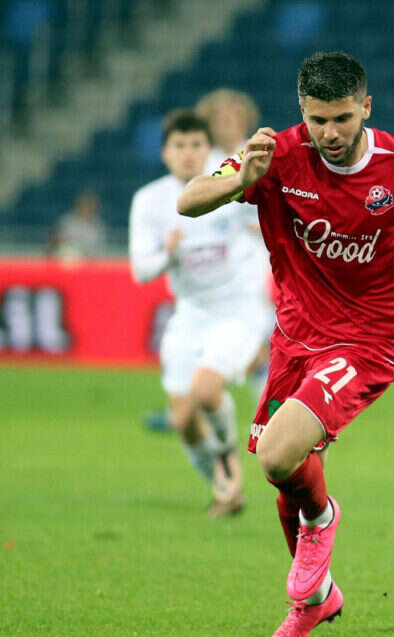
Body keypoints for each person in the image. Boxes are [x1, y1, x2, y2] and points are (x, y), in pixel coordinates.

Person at [177, 51, 394, 637]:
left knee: (277, 455)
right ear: (302, 111)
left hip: (366, 344)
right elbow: (188, 199)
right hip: (294, 341)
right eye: (317, 120)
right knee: (286, 476)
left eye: (342, 118)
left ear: (366, 107)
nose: (330, 133)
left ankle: (322, 519)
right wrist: (240, 179)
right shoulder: (275, 155)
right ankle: (314, 603)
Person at [130, 109, 270, 518]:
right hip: (190, 314)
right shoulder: (150, 201)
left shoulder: (229, 184)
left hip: (239, 310)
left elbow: (267, 217)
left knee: (207, 390)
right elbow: (141, 270)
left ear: (209, 149)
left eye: (196, 145)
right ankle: (226, 490)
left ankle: (226, 456)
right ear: (165, 152)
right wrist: (167, 253)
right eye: (179, 146)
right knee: (184, 420)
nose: (188, 153)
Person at [144, 89, 275, 433]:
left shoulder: (258, 153)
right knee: (222, 344)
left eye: (233, 116)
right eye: (220, 118)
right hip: (215, 266)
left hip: (257, 264)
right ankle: (191, 407)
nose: (227, 123)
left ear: (246, 119)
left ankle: (270, 416)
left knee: (264, 346)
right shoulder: (206, 161)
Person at [50, 190, 106, 259]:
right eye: (85, 203)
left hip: (91, 259)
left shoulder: (99, 224)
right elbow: (57, 241)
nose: (88, 206)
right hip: (70, 258)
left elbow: (99, 246)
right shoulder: (67, 221)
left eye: (90, 204)